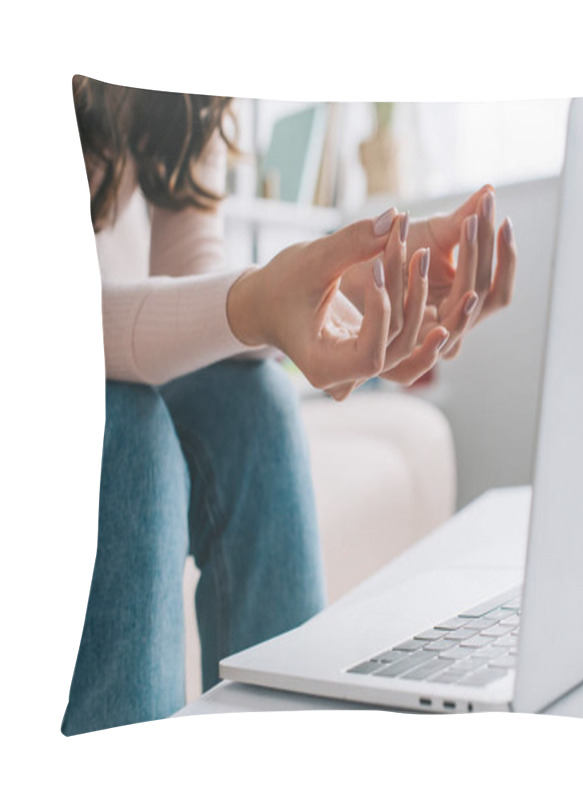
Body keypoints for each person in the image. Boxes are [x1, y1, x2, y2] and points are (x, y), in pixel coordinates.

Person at [62, 76, 517, 735]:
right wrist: (259, 304)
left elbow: (196, 285)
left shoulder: (187, 83)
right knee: (129, 433)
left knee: (254, 400)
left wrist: (338, 280)